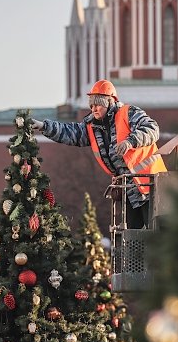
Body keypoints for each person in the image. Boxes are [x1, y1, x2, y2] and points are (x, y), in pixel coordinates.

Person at [31, 79, 167, 229]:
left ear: (109, 102)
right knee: (132, 237)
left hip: (152, 186)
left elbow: (152, 128)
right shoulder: (92, 127)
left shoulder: (129, 113)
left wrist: (130, 141)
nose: (94, 108)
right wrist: (44, 126)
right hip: (129, 190)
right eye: (92, 105)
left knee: (157, 232)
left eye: (98, 104)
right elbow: (70, 132)